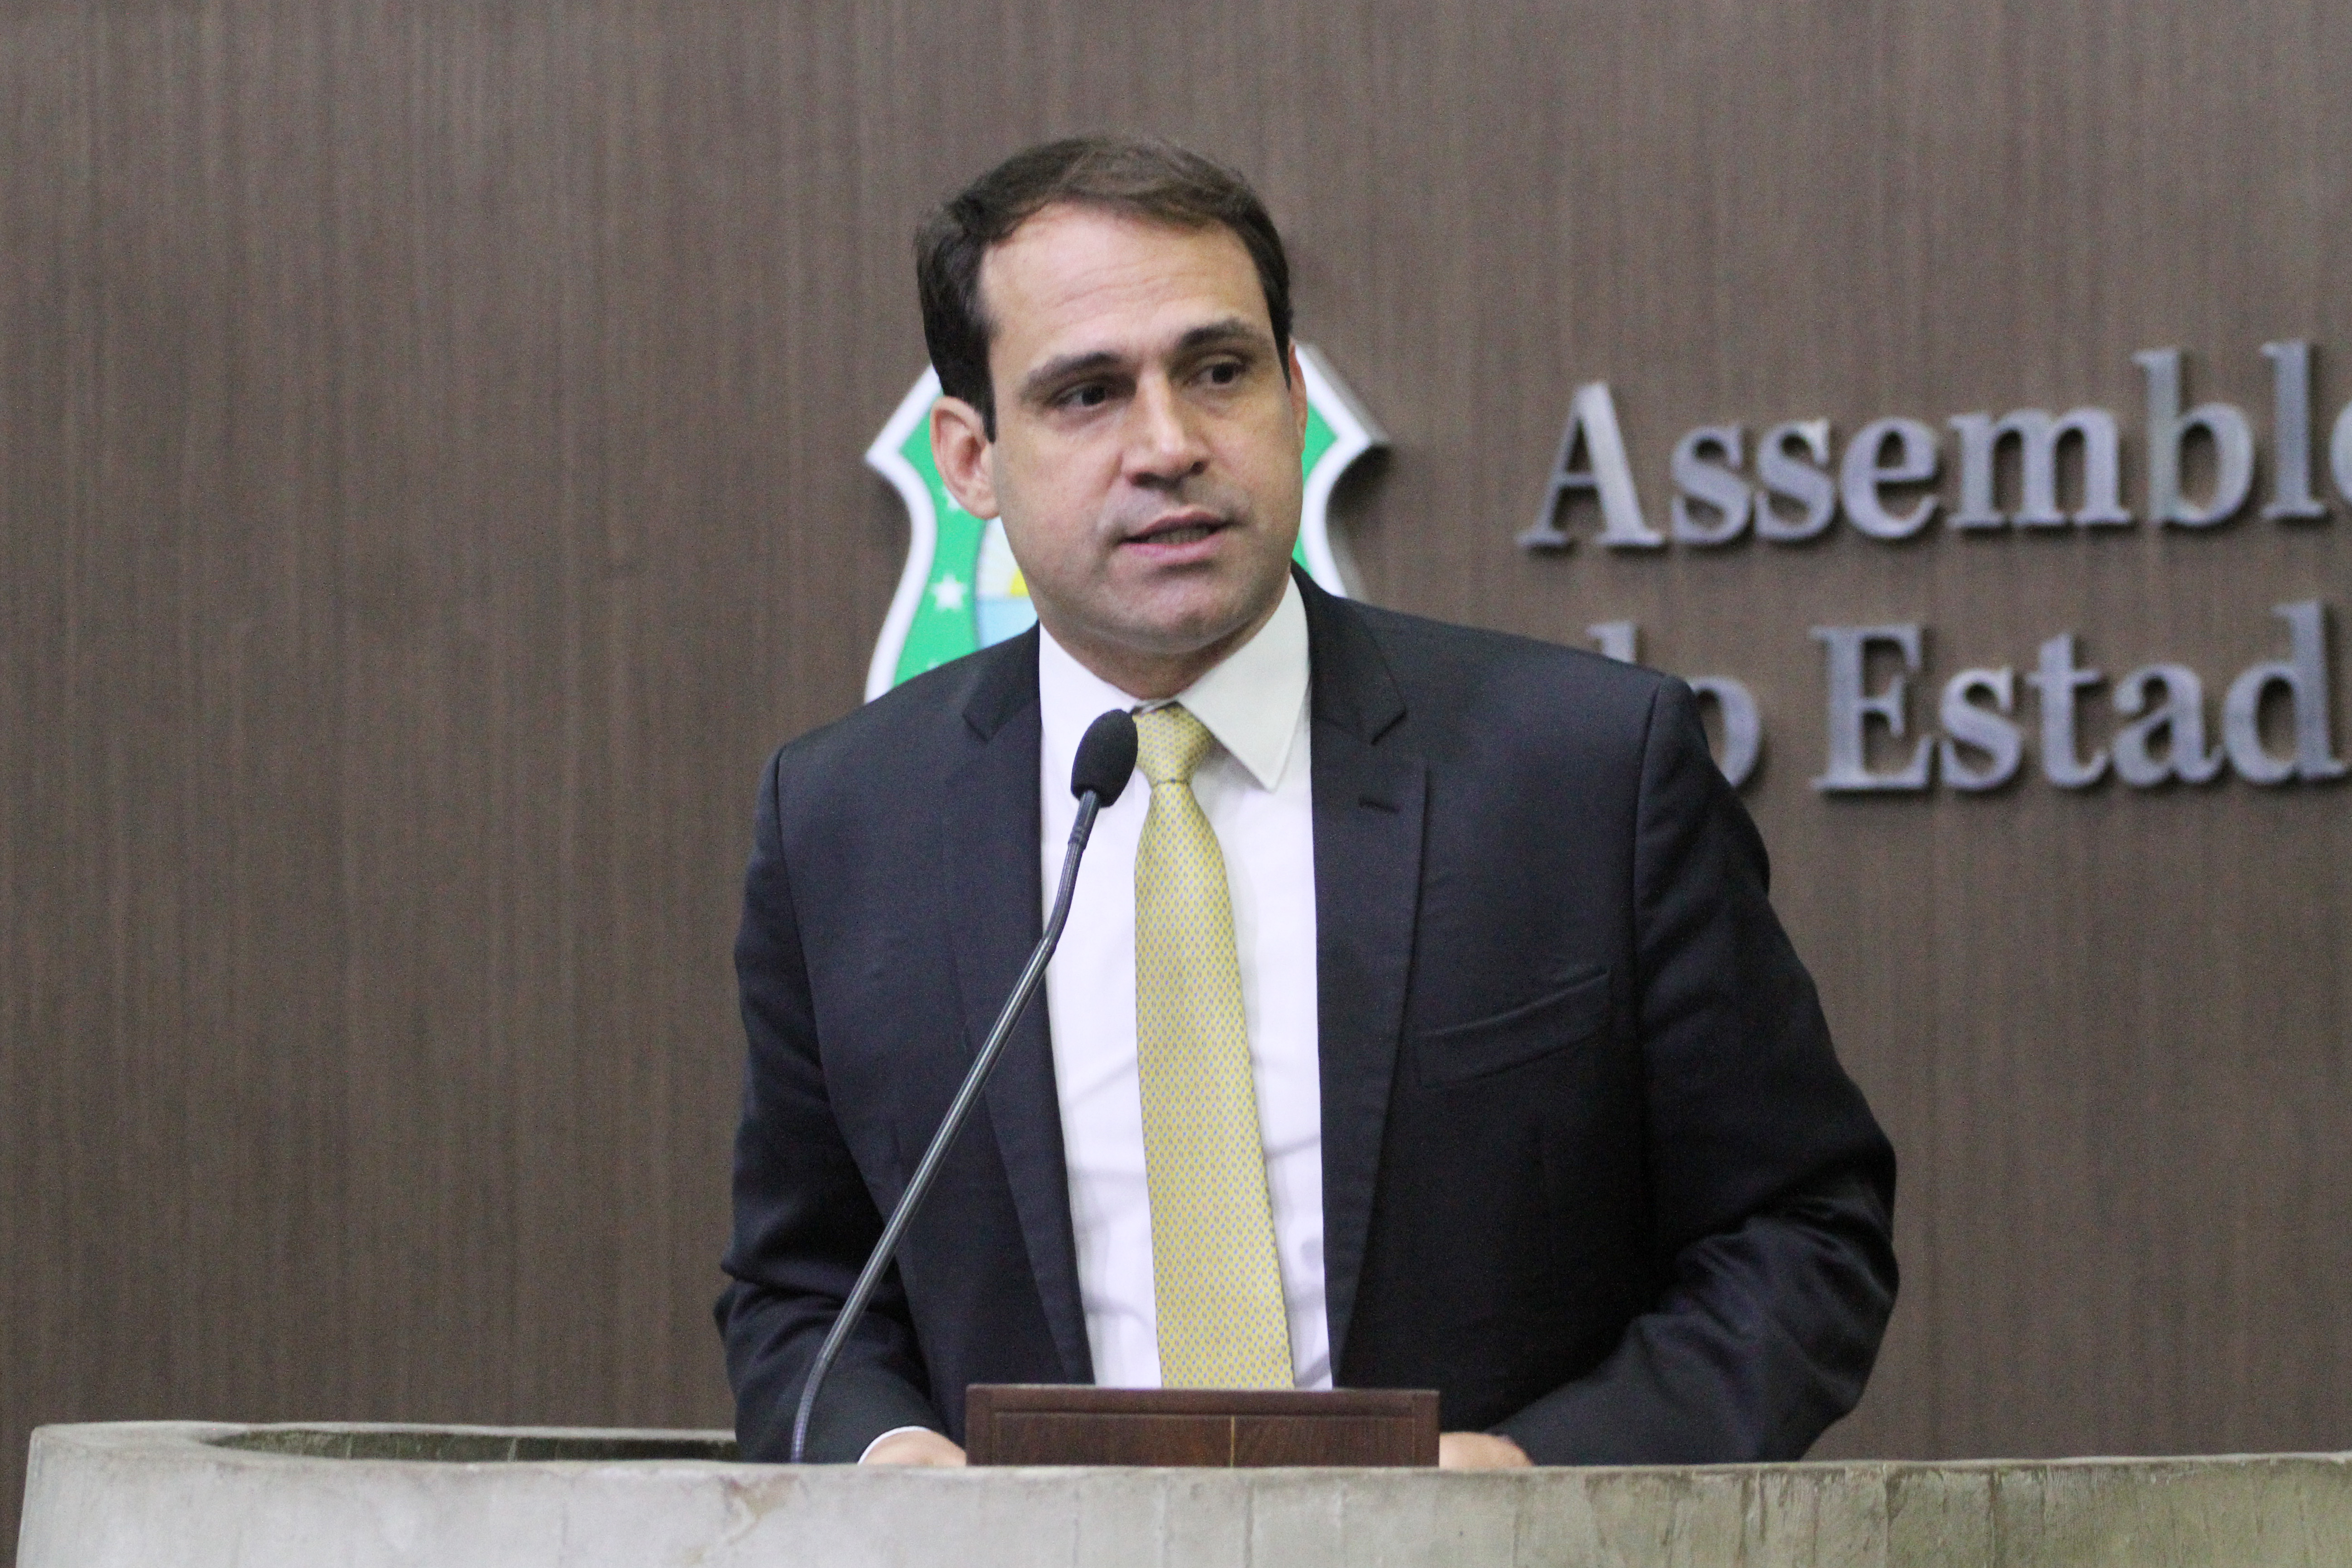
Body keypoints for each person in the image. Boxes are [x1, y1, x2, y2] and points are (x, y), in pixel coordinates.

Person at [717, 136, 1896, 1469]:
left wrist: (1535, 1482)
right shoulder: (846, 823)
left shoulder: (1584, 772)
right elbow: (802, 1293)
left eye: (1218, 372)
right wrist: (885, 1465)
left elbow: (1802, 1235)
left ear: (1292, 396)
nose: (1170, 446)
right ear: (971, 458)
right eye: (1088, 394)